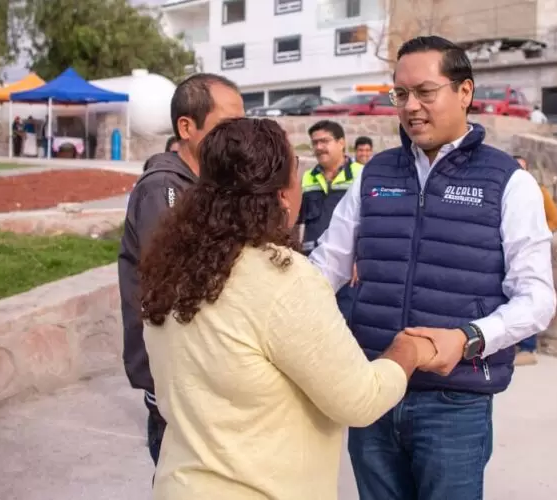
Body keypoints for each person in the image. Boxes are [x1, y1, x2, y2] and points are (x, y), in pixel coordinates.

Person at [308, 36, 556, 500]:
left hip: (454, 402)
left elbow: (537, 300)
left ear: (465, 92)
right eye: (400, 95)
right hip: (375, 390)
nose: (411, 107)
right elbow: (323, 269)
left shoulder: (509, 182)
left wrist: (468, 338)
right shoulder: (373, 176)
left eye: (425, 92)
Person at [139, 117, 438, 499]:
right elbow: (359, 399)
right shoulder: (281, 278)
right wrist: (408, 350)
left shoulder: (171, 268)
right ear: (282, 195)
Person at [119, 73, 244, 467]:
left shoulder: (210, 186)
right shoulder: (164, 189)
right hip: (174, 376)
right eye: (228, 126)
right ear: (186, 127)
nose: (239, 138)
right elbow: (178, 281)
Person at [298, 120, 363, 325]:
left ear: (341, 142)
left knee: (346, 324)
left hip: (348, 269)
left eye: (324, 141)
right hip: (313, 265)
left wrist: (360, 259)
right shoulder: (308, 177)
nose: (318, 147)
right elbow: (297, 220)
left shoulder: (362, 174)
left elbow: (369, 222)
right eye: (315, 143)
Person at [512, 155, 557, 366]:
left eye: (522, 168)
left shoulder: (538, 191)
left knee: (527, 295)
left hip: (530, 251)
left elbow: (555, 219)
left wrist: (537, 235)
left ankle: (528, 347)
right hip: (509, 249)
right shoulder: (506, 191)